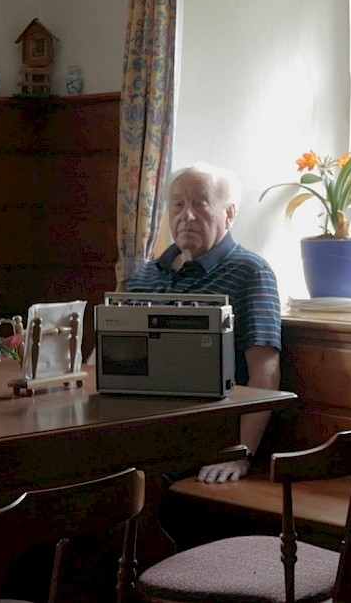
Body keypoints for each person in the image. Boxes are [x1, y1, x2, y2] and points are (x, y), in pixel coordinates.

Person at [126, 162, 282, 484]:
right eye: (179, 204)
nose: (188, 215)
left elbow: (265, 373)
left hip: (204, 437)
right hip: (139, 427)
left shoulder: (251, 273)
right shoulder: (146, 274)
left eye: (201, 203)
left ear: (229, 214)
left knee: (130, 483)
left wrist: (240, 454)